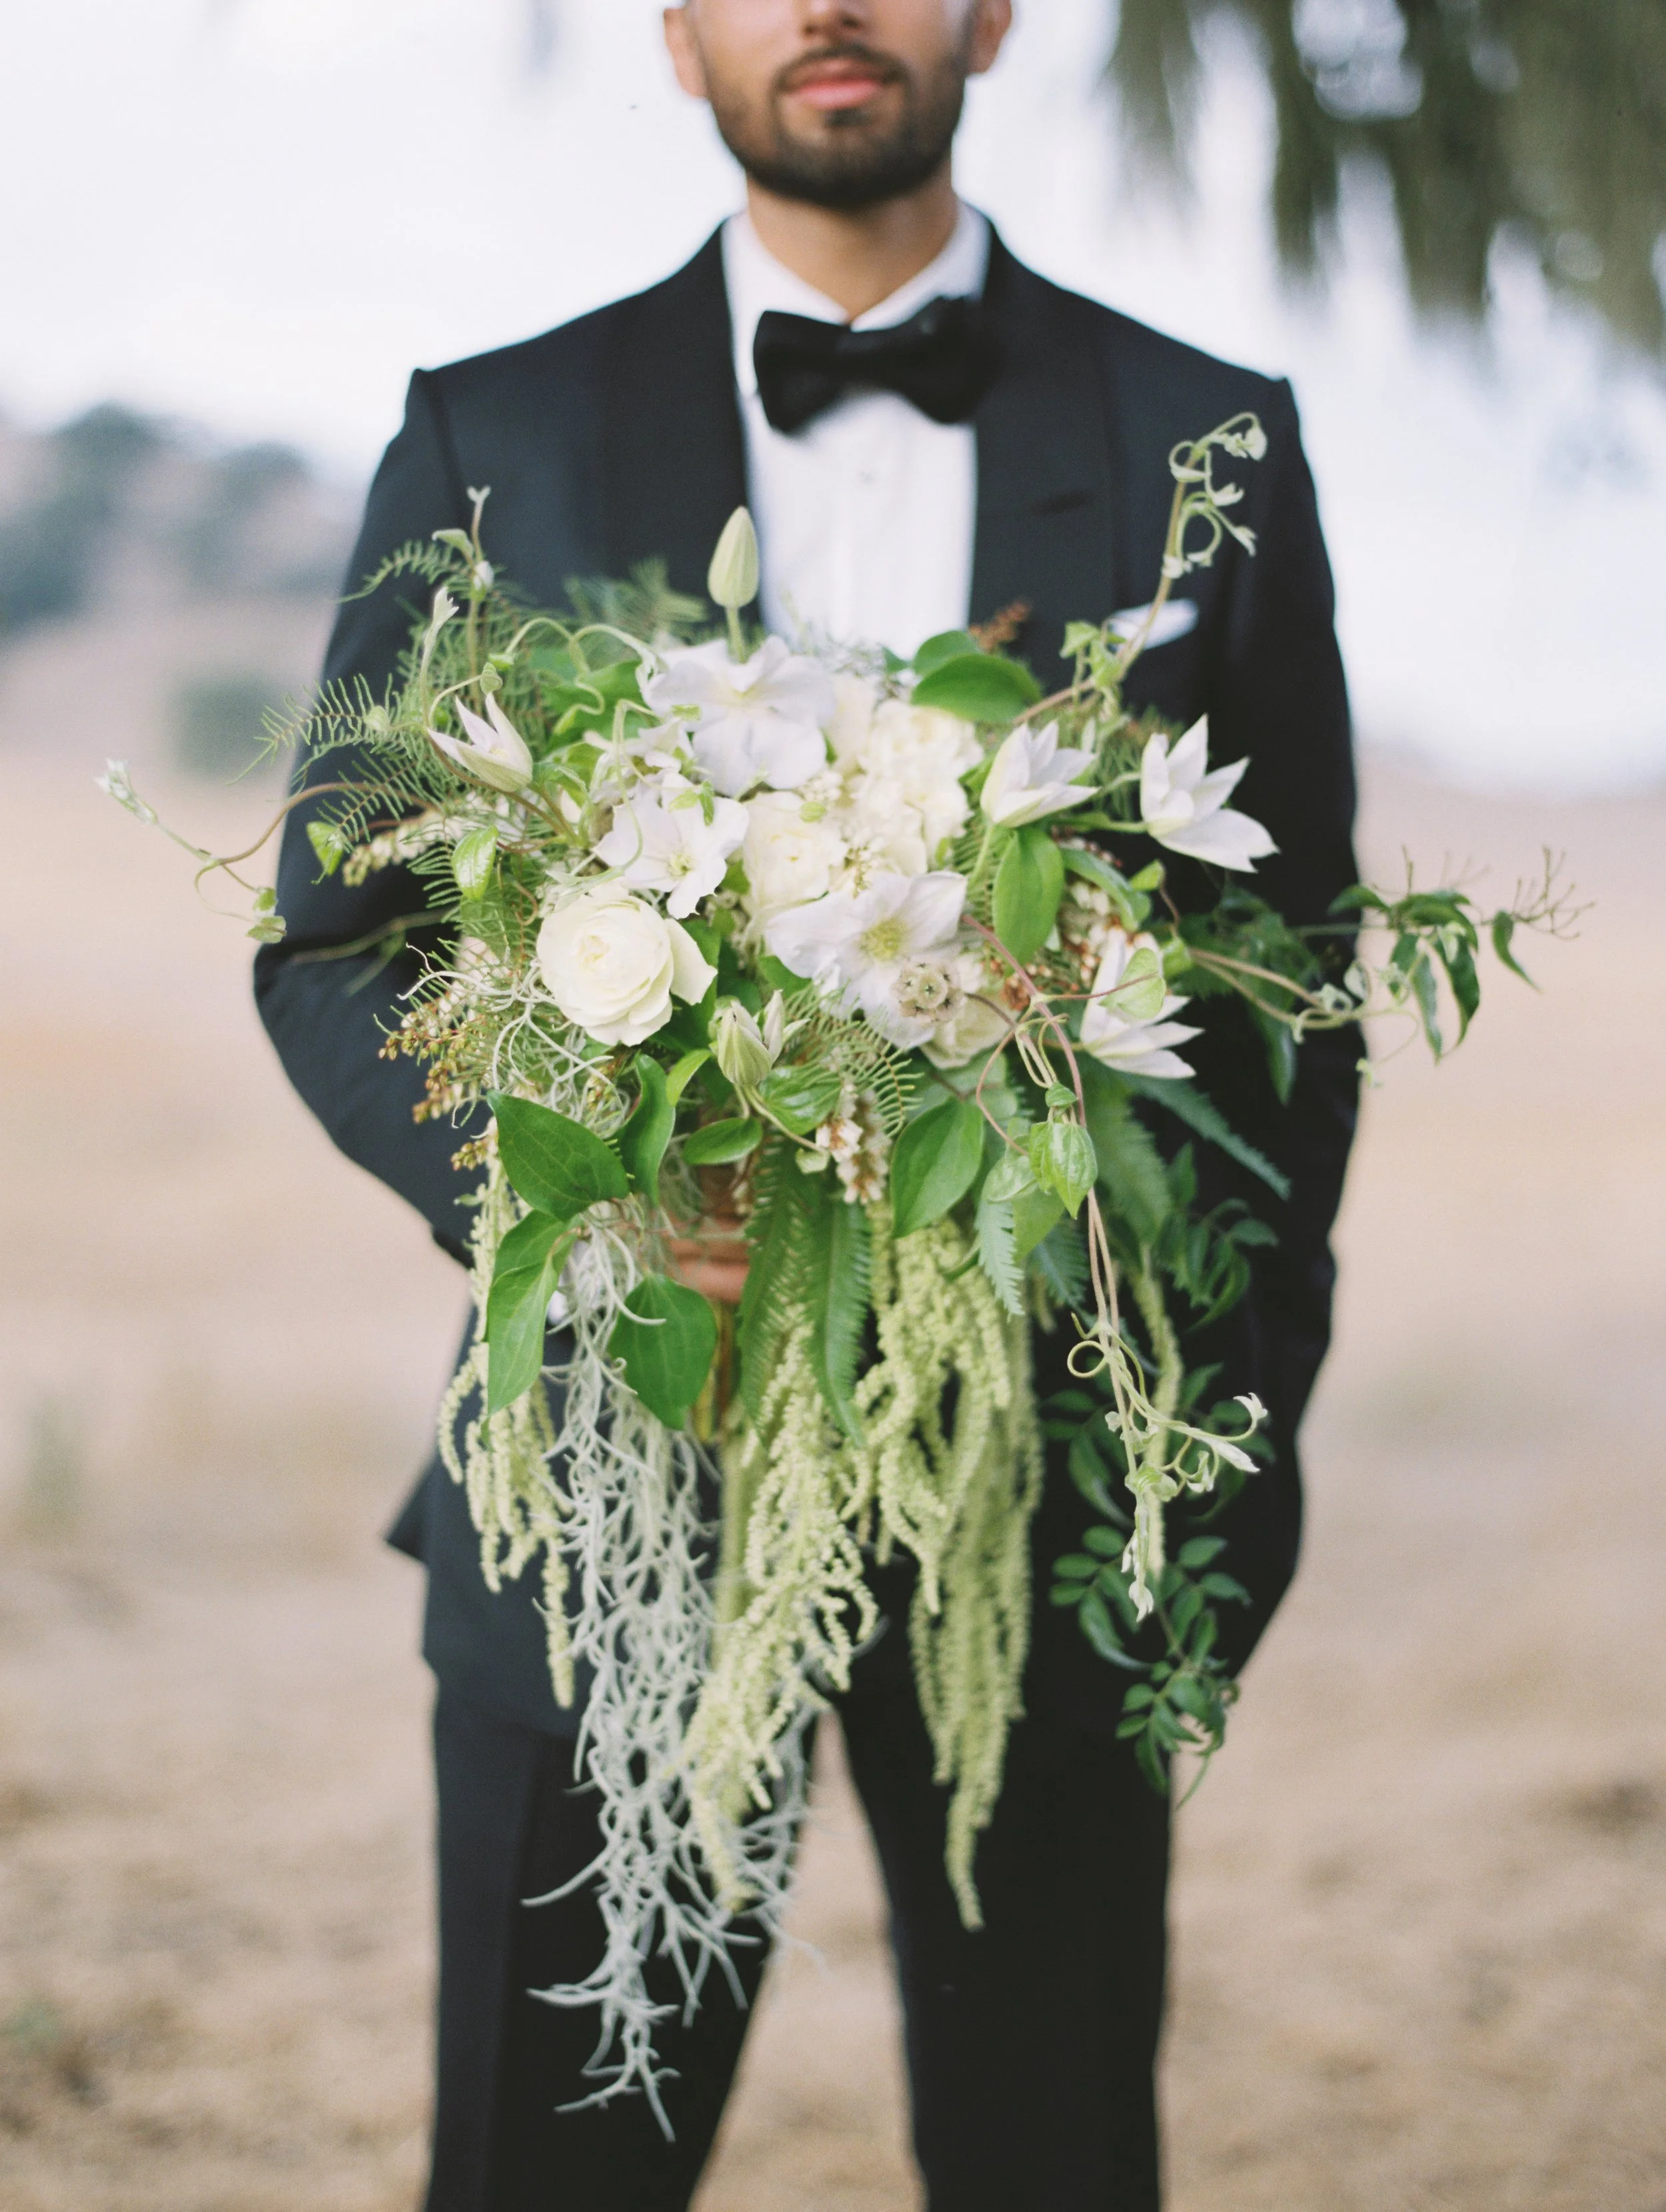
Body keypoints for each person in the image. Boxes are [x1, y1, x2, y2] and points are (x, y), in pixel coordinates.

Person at [254, 2, 1359, 2205]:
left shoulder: (1191, 433)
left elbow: (1292, 993)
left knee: (1050, 2149)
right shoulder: (497, 433)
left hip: (1043, 1492)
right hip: (616, 1478)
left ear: (990, 20)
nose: (828, 10)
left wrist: (1212, 1420)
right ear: (679, 41)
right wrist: (584, 1203)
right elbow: (339, 939)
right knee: (549, 2161)